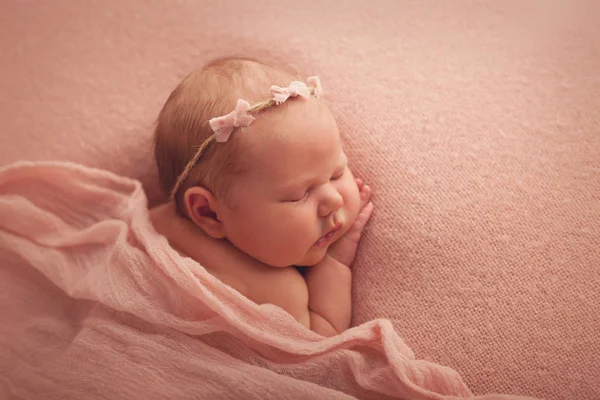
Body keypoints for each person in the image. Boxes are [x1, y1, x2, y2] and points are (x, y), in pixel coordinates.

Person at [149, 56, 374, 337]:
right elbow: (321, 342)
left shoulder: (153, 221)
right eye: (298, 195)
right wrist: (336, 262)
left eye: (337, 173)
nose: (334, 200)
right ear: (208, 212)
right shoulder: (281, 293)